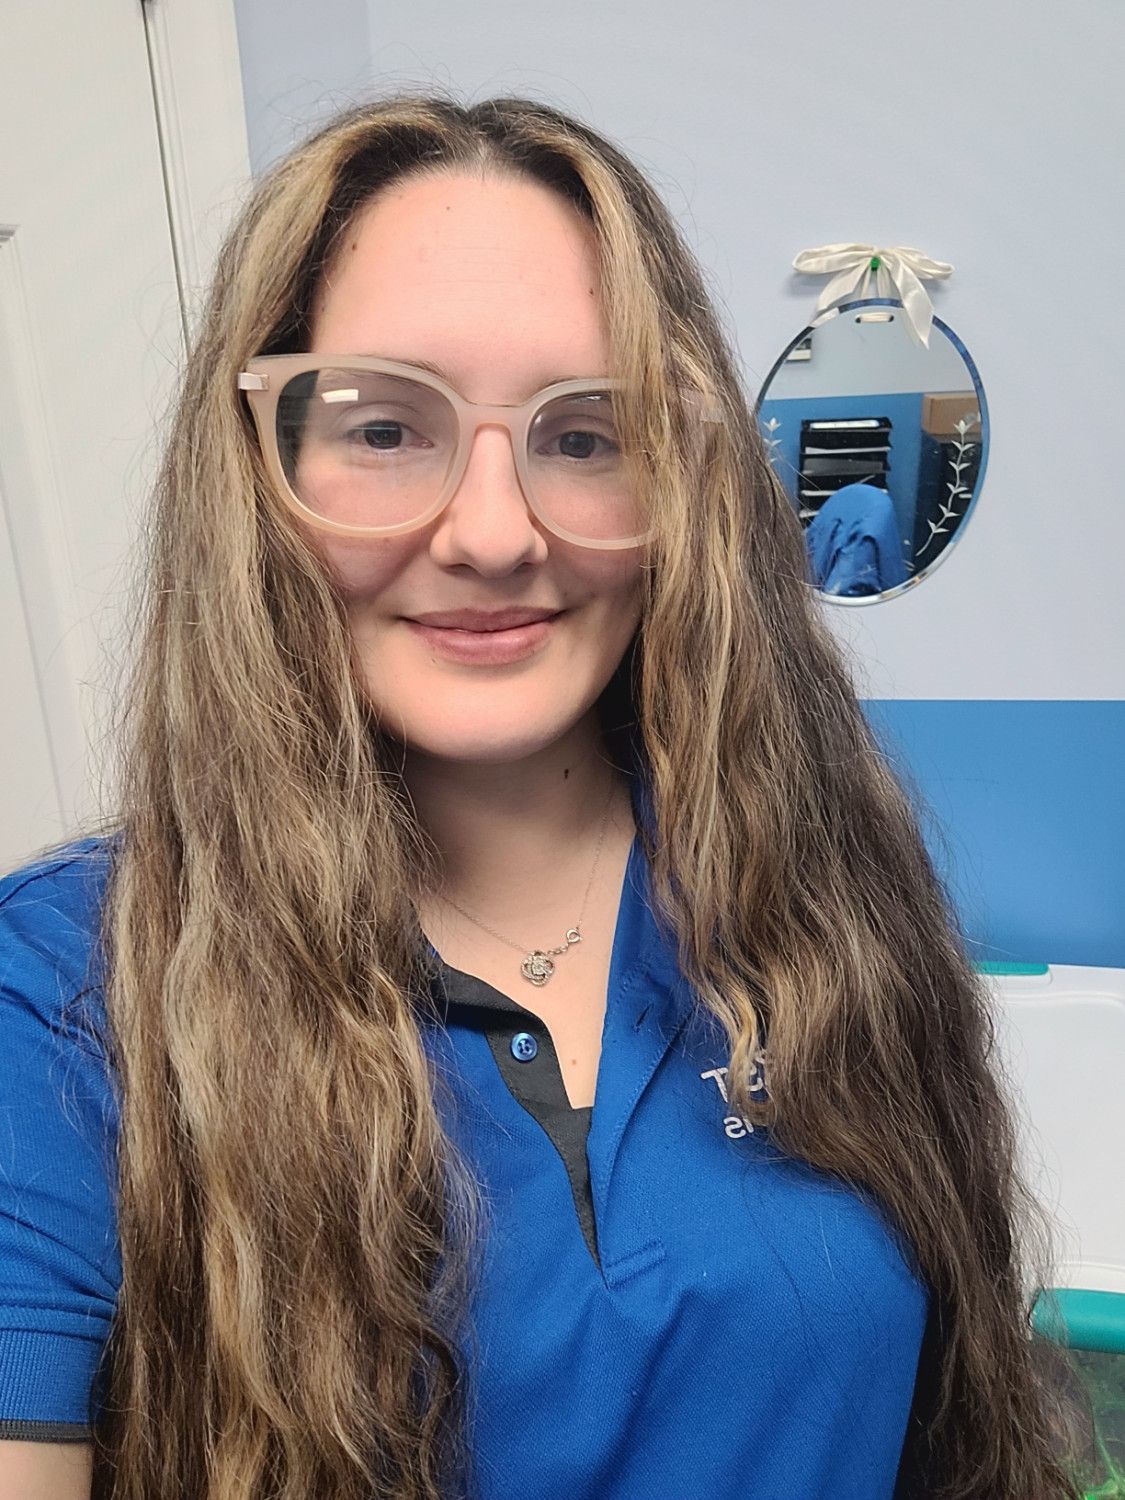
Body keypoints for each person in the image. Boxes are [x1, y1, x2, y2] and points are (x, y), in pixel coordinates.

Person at [0, 92, 1081, 1500]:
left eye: (585, 435)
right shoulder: (67, 996)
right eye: (386, 428)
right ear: (256, 471)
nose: (496, 534)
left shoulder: (823, 890)